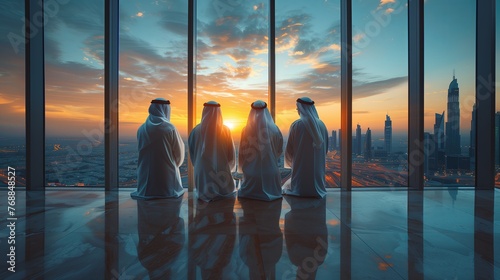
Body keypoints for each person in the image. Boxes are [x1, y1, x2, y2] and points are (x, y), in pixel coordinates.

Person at [131, 98, 185, 200]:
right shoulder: (170, 128)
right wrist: (175, 164)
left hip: (145, 171)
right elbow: (179, 152)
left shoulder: (141, 128)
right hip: (167, 174)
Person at [188, 101, 236, 201]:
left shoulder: (195, 130)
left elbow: (192, 155)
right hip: (222, 177)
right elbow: (231, 155)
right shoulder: (225, 131)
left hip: (202, 177)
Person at [283, 97, 328, 198]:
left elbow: (289, 148)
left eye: (297, 108)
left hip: (300, 168)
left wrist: (291, 161)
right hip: (317, 169)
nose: (297, 110)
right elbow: (326, 147)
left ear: (301, 108)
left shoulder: (297, 125)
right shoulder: (321, 125)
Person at [238, 100, 283, 201]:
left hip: (251, 175)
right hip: (271, 173)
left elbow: (242, 152)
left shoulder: (246, 130)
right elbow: (279, 151)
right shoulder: (275, 129)